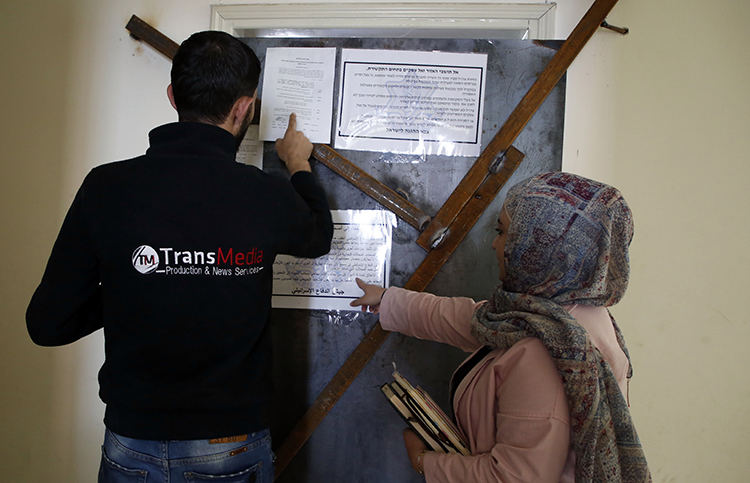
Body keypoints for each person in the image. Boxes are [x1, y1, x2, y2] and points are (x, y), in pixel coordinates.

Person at [26, 30, 333, 482]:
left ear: (172, 96)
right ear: (243, 107)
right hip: (230, 442)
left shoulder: (106, 187)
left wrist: (133, 283)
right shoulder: (265, 195)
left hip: (132, 442)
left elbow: (47, 324)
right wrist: (298, 165)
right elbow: (318, 237)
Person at [352, 172, 651, 483]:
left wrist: (425, 462)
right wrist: (387, 300)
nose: (495, 244)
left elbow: (514, 478)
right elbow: (469, 320)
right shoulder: (564, 311)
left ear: (541, 247)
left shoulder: (548, 351)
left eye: (503, 232)